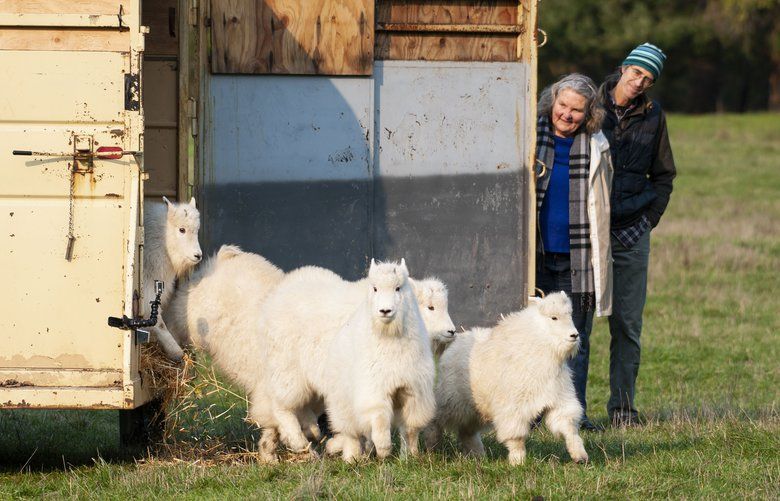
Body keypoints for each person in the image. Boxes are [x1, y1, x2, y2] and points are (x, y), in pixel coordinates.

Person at [599, 43, 676, 426]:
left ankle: (623, 408)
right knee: (572, 325)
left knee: (627, 324)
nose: (640, 81)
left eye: (648, 78)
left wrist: (651, 219)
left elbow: (665, 175)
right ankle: (567, 410)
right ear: (624, 66)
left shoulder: (654, 115)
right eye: (636, 72)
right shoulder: (591, 103)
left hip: (632, 230)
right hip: (590, 229)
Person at [535, 73, 613, 432]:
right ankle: (531, 414)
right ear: (553, 101)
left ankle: (572, 416)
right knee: (534, 338)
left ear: (589, 114)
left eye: (576, 110)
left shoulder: (596, 145)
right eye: (562, 105)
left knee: (574, 340)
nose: (566, 114)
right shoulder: (529, 136)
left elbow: (602, 207)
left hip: (576, 261)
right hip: (533, 256)